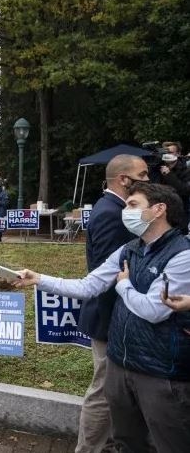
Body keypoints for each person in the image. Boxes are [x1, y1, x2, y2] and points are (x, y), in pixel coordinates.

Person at [11, 182, 190, 452]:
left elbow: (153, 310)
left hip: (161, 373)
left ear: (159, 210)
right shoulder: (129, 249)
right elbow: (88, 286)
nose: (125, 212)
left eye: (132, 205)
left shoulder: (182, 255)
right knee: (127, 442)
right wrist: (39, 279)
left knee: (169, 443)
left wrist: (123, 285)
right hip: (120, 364)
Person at [74, 154, 149, 453]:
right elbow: (104, 276)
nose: (148, 181)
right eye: (143, 175)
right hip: (109, 318)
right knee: (104, 391)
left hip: (116, 316)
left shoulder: (114, 209)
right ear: (123, 179)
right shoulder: (111, 213)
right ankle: (88, 448)